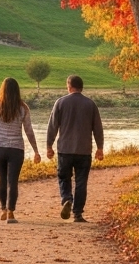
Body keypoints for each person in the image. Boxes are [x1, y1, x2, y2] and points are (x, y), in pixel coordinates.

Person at [45, 74, 105, 223]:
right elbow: (98, 128)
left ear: (69, 86)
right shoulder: (90, 104)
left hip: (65, 149)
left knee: (64, 178)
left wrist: (49, 146)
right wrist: (100, 148)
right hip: (84, 150)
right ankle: (77, 213)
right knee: (81, 181)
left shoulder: (60, 103)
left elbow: (52, 126)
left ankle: (67, 199)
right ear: (81, 87)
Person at [0, 77, 41, 223]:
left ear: (2, 89)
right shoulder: (23, 108)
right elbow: (29, 131)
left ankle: (3, 209)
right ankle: (11, 213)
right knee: (12, 181)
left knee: (2, 179)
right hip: (16, 149)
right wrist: (36, 151)